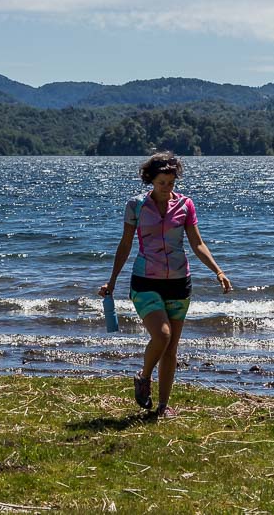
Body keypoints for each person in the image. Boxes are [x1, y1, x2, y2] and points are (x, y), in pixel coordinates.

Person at [98, 151, 231, 416]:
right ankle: (144, 377)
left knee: (171, 349)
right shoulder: (136, 206)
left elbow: (197, 243)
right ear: (151, 180)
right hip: (145, 281)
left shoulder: (185, 205)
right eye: (161, 183)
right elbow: (125, 244)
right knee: (162, 335)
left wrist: (218, 271)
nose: (167, 188)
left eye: (171, 183)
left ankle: (162, 406)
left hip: (179, 282)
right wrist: (112, 280)